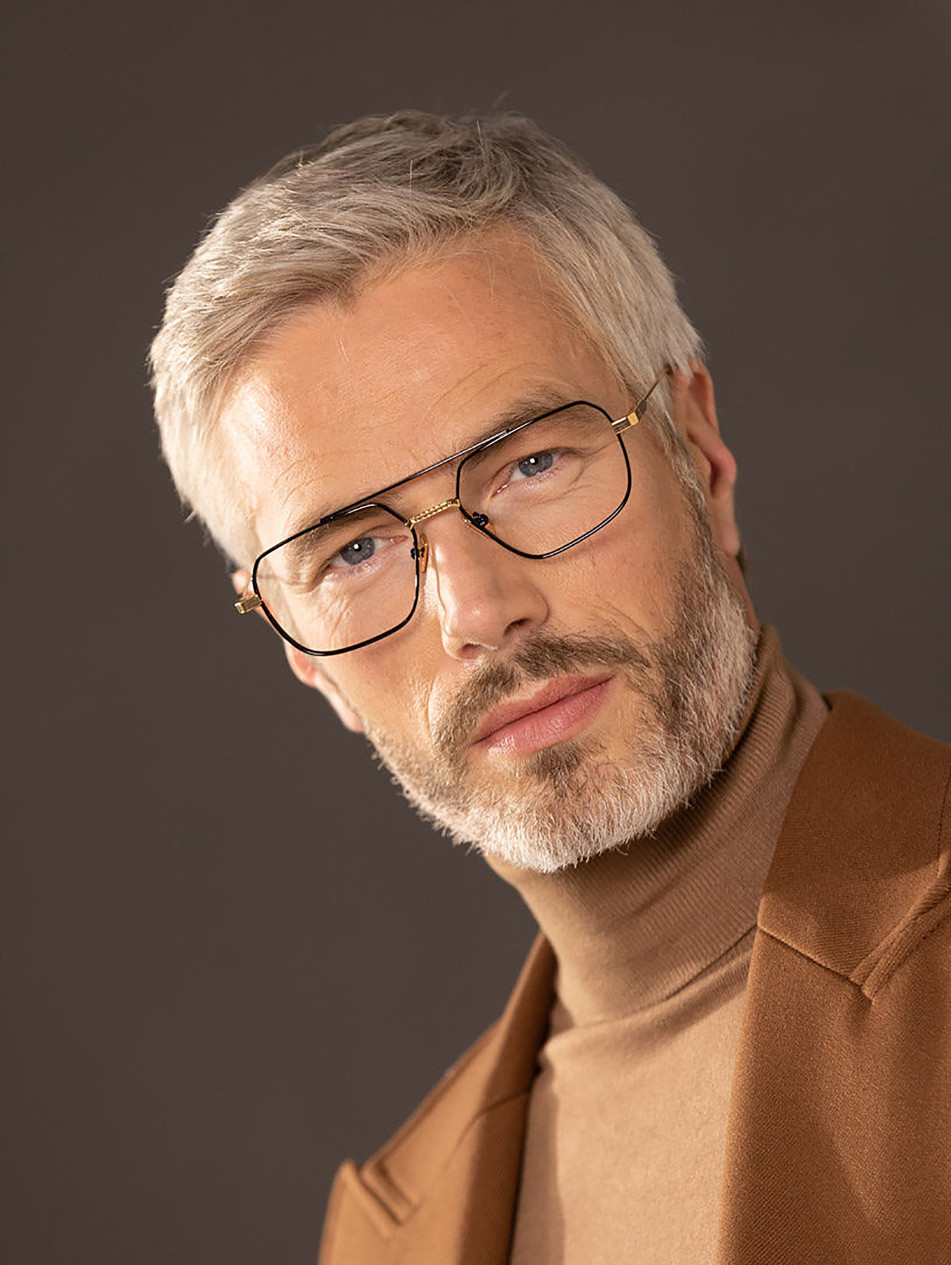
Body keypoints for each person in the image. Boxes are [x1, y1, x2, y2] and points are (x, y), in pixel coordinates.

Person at [149, 111, 950, 1264]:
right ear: (303, 654)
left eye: (530, 464)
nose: (478, 610)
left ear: (697, 452)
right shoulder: (386, 1231)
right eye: (355, 550)